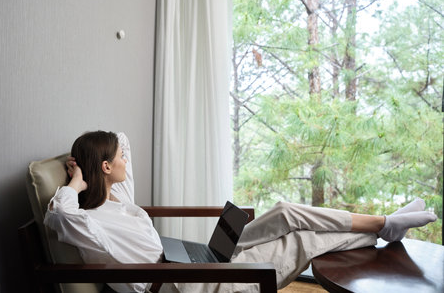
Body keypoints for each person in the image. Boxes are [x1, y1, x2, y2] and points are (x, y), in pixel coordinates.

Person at [44, 131, 437, 293]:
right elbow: (58, 217)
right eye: (119, 158)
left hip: (191, 266)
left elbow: (119, 139)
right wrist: (75, 182)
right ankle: (387, 226)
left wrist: (89, 164)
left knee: (284, 211)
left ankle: (385, 223)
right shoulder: (84, 220)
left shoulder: (114, 200)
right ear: (106, 169)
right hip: (186, 287)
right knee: (302, 241)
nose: (127, 157)